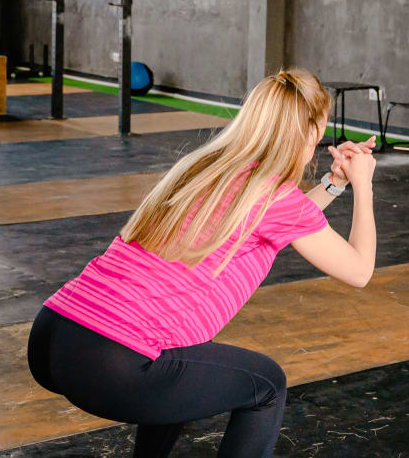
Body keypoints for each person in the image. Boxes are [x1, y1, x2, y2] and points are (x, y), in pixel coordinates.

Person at [27, 69, 378, 458]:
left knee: (187, 354)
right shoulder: (275, 194)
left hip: (53, 335)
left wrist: (334, 182)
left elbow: (280, 227)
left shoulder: (206, 167)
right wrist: (364, 185)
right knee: (267, 385)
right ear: (310, 132)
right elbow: (359, 271)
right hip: (113, 364)